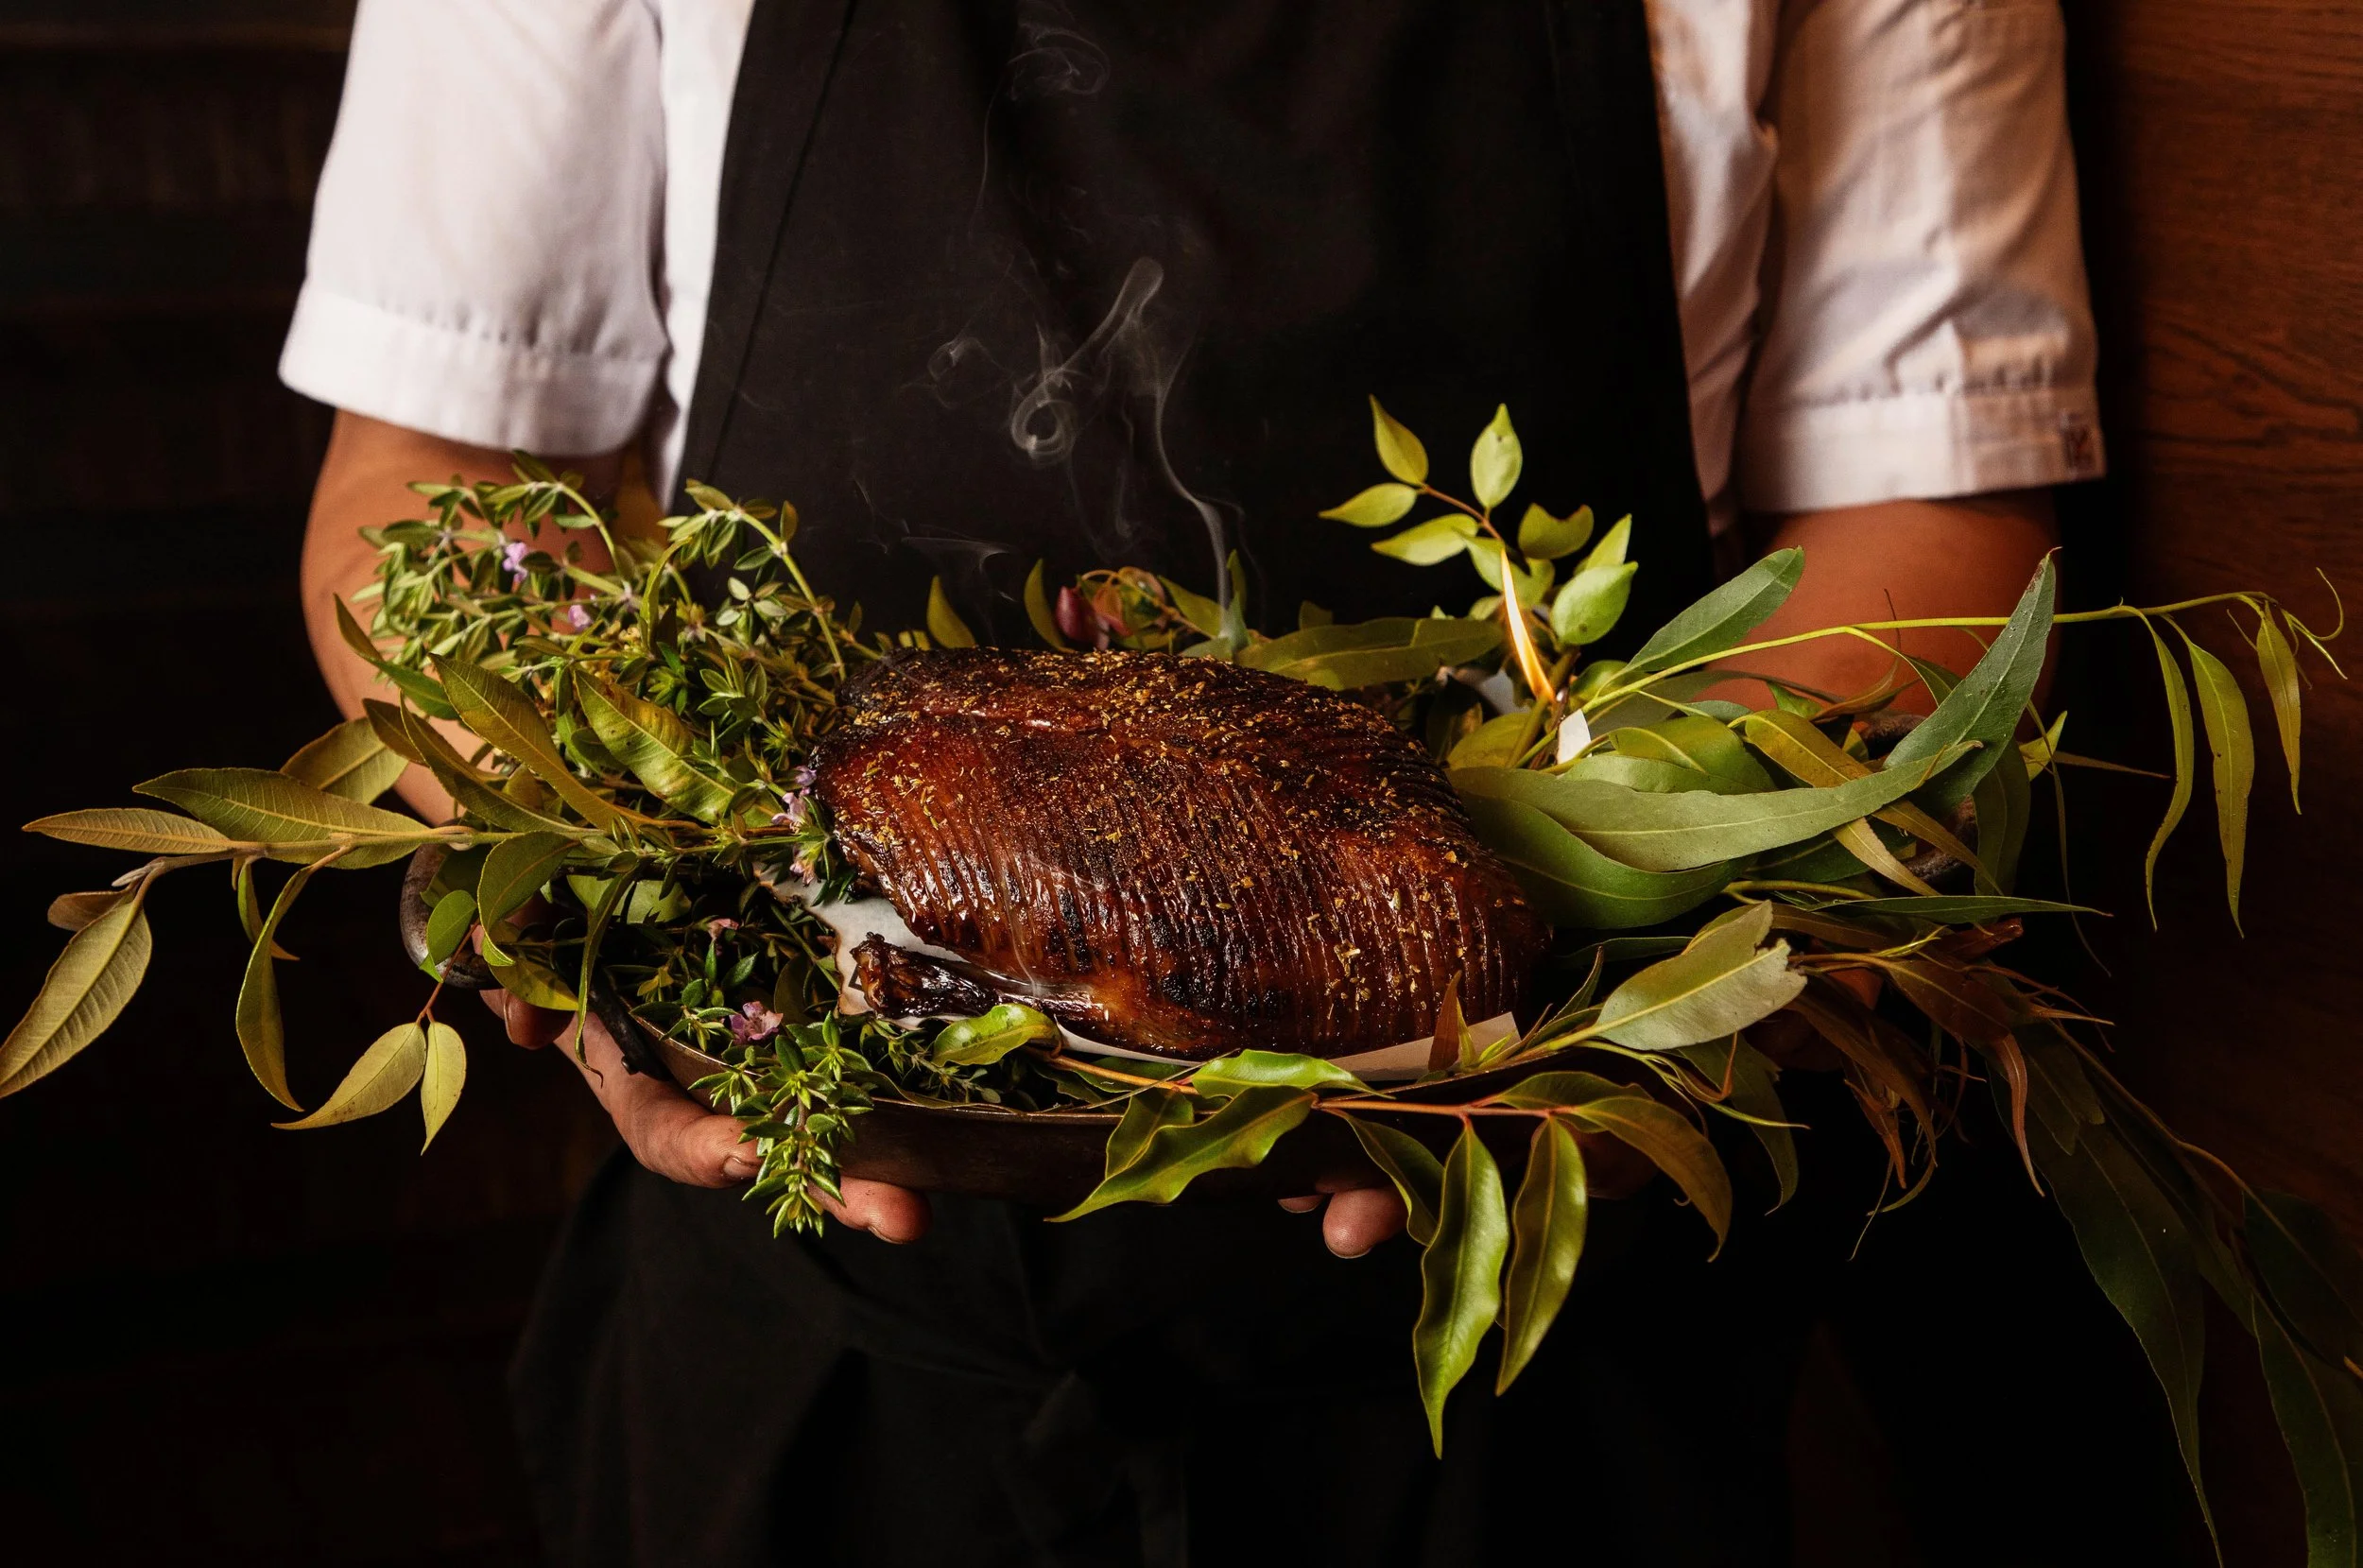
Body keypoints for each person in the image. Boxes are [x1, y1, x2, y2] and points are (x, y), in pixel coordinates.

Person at [287, 3, 2097, 1562]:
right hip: (821, 1325)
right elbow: (424, 470)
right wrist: (597, 883)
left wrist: (1648, 993)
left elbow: (1928, 512)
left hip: (1528, 1346)